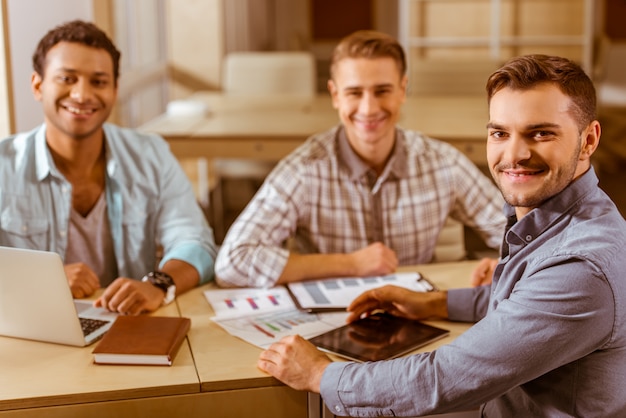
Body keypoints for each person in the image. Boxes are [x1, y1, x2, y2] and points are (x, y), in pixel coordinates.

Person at [257, 54, 626, 417]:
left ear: (589, 140)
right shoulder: (562, 220)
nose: (514, 154)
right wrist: (436, 303)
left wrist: (320, 374)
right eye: (500, 132)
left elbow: (445, 377)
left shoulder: (581, 267)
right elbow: (527, 306)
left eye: (541, 133)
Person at [215, 30, 506, 288]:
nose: (368, 109)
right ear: (335, 95)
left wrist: (506, 267)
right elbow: (232, 261)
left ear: (402, 90)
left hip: (422, 313)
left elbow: (522, 235)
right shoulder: (304, 170)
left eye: (382, 91)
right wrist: (350, 264)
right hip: (330, 320)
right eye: (354, 93)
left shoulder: (442, 163)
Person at [0, 20, 217, 315]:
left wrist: (158, 284)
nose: (82, 95)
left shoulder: (151, 154)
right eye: (67, 79)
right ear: (38, 85)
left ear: (114, 90)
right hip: (33, 331)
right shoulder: (4, 164)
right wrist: (40, 281)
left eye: (98, 81)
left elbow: (196, 242)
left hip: (130, 325)